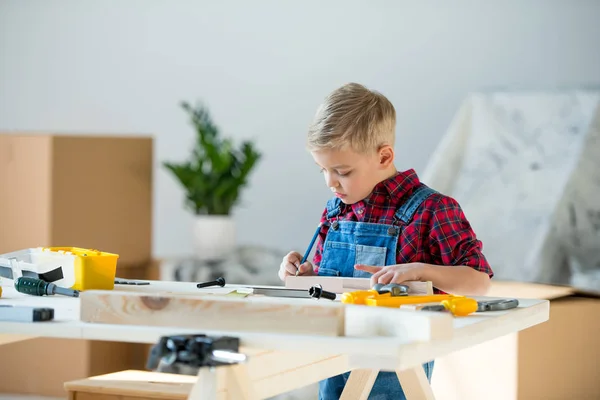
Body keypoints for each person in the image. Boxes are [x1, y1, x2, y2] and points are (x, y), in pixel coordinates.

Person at [278, 82, 494, 400]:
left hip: (398, 376)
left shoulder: (432, 209)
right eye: (322, 170)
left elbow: (479, 284)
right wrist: (301, 276)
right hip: (333, 363)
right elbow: (326, 290)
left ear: (384, 157)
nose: (330, 182)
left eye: (342, 170)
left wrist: (423, 271)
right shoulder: (336, 212)